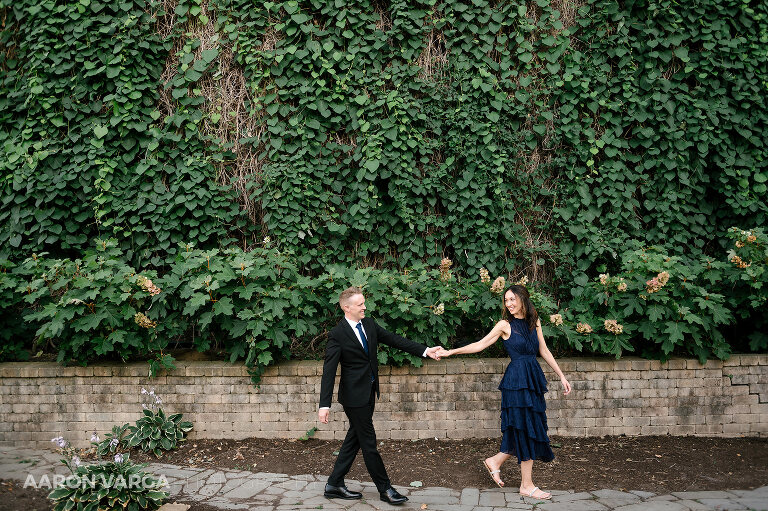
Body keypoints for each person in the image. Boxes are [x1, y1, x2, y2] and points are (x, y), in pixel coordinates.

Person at [437, 284, 571, 500]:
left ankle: (496, 461)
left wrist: (562, 376)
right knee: (527, 428)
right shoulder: (504, 325)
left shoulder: (533, 321)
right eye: (506, 300)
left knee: (527, 427)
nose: (508, 304)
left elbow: (543, 350)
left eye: (512, 299)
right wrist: (451, 352)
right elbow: (480, 345)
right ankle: (526, 485)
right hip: (516, 382)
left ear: (522, 299)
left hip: (532, 380)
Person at [319, 286, 443, 505]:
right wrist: (324, 404)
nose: (365, 307)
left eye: (364, 302)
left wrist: (425, 351)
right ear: (347, 308)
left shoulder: (368, 324)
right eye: (360, 304)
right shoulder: (337, 335)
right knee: (368, 443)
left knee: (354, 438)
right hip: (353, 398)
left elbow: (395, 339)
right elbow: (329, 371)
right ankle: (385, 489)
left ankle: (334, 483)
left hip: (369, 392)